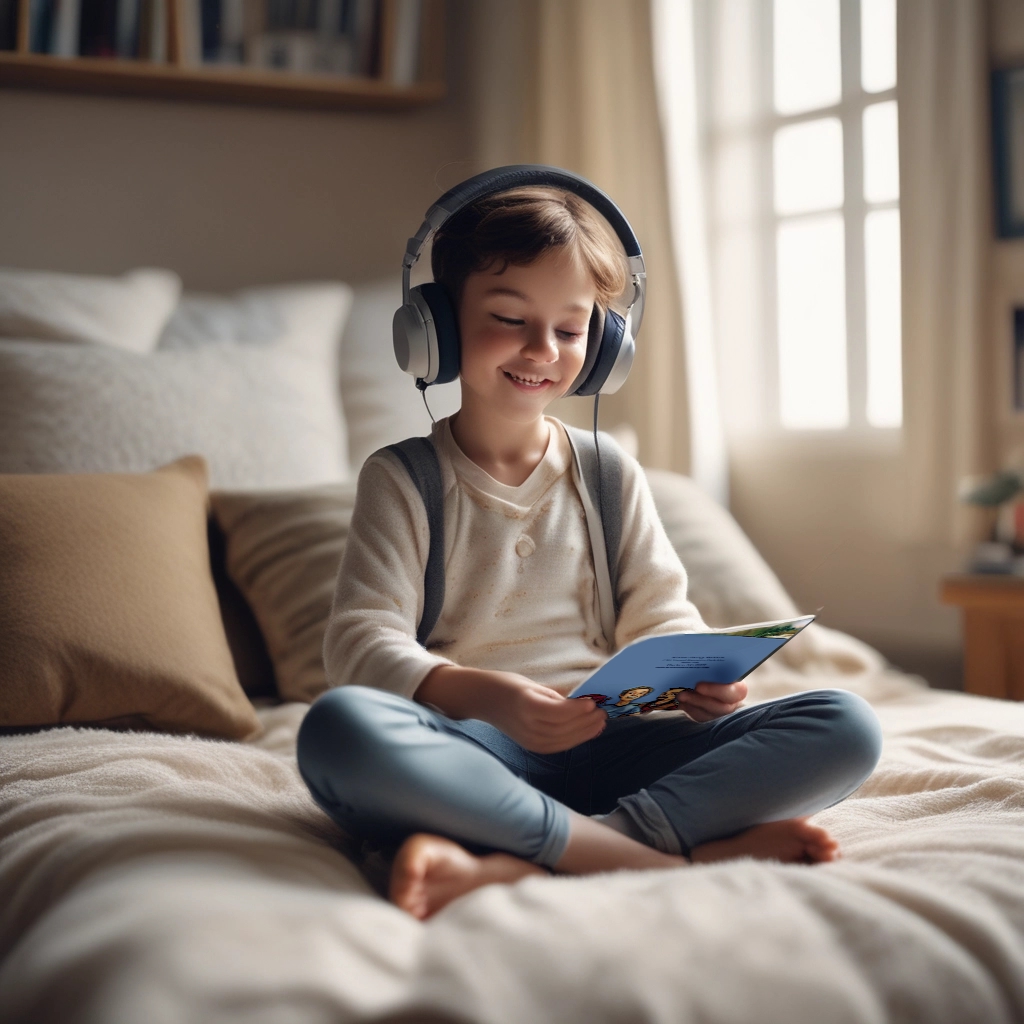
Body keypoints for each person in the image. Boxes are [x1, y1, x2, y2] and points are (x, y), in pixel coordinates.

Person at [297, 177, 882, 921]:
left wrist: (700, 682)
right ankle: (664, 855)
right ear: (435, 325)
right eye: (509, 319)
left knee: (846, 724)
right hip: (481, 753)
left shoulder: (609, 473)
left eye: (571, 332)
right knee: (339, 730)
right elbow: (359, 640)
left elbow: (661, 617)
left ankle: (548, 854)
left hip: (619, 744)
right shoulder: (402, 478)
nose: (542, 350)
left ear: (604, 346)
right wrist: (487, 696)